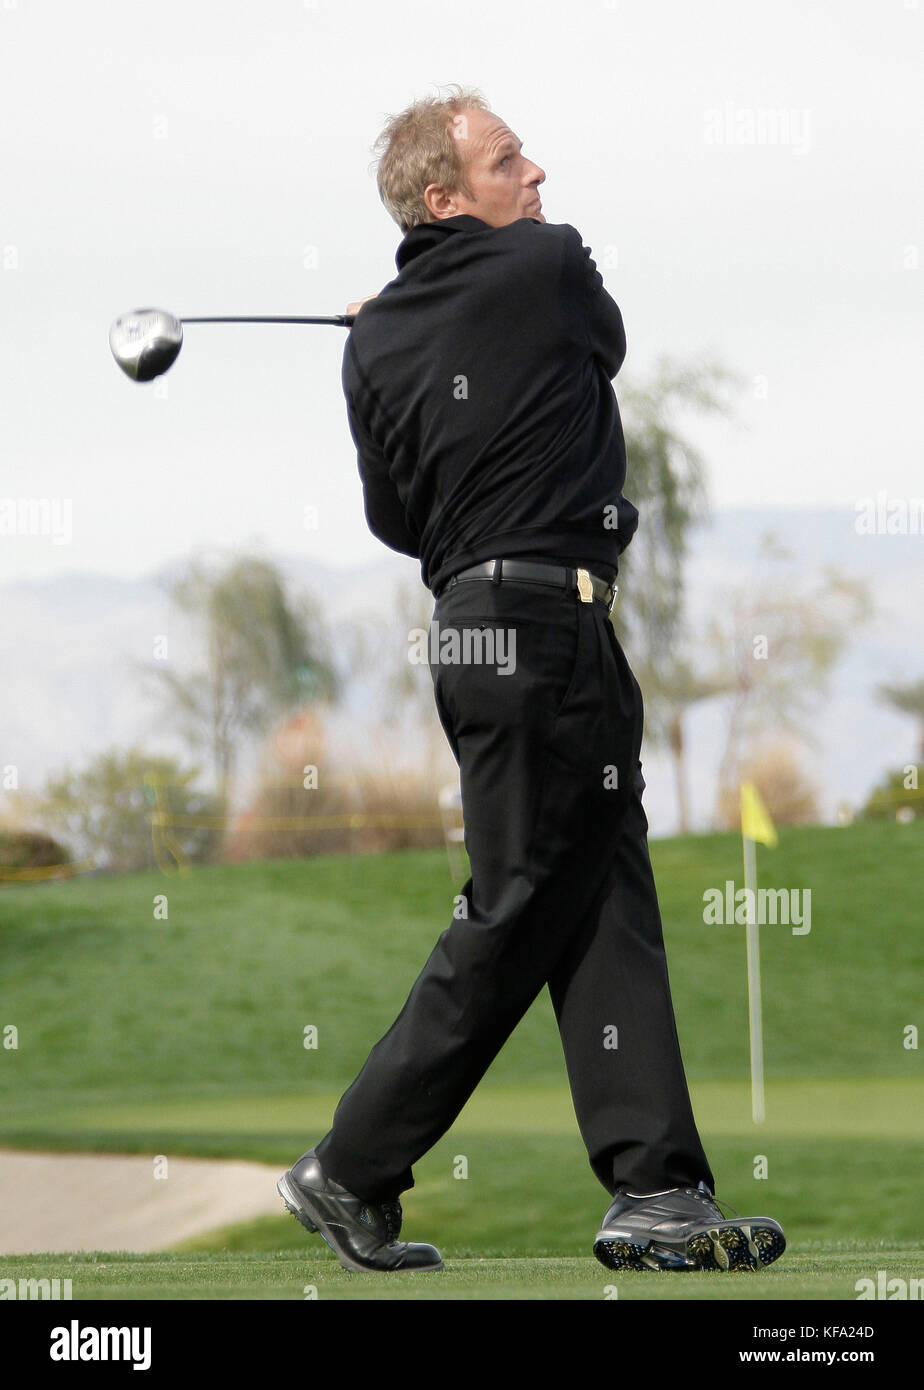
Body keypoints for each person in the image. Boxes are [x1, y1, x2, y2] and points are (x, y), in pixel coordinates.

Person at [277, 85, 786, 1276]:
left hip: (472, 632)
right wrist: (437, 313)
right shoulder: (547, 265)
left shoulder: (374, 342)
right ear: (449, 198)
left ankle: (656, 1185)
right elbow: (604, 338)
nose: (539, 175)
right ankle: (350, 1165)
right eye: (509, 162)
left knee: (596, 890)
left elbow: (401, 518)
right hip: (546, 631)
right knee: (516, 908)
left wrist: (397, 324)